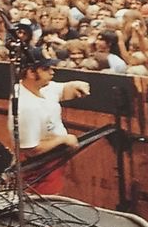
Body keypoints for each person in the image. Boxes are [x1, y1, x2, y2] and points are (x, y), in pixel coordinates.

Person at [12, 46, 90, 194]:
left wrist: (76, 85)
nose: (52, 72)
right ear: (30, 72)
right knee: (43, 205)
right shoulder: (25, 105)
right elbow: (31, 149)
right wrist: (64, 140)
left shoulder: (42, 87)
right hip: (40, 166)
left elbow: (63, 90)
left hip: (54, 160)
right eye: (46, 69)